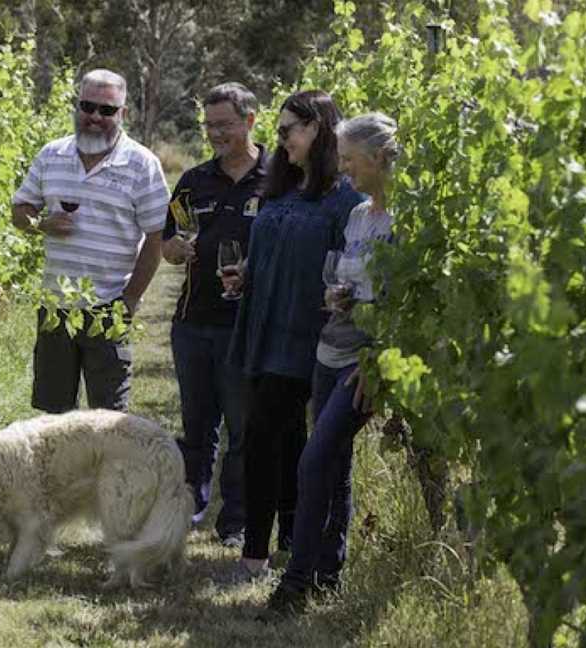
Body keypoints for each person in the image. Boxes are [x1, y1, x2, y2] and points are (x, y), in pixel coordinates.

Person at [222, 90, 366, 580]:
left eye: (288, 131)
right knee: (283, 438)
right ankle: (290, 541)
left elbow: (350, 273)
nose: (278, 141)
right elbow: (273, 251)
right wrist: (247, 271)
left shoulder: (347, 202)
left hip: (313, 337)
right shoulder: (280, 191)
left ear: (318, 130)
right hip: (266, 326)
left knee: (265, 436)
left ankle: (256, 556)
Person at [264, 112, 399, 614]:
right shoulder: (359, 216)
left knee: (314, 458)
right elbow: (349, 279)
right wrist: (339, 296)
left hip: (364, 360)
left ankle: (294, 582)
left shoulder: (407, 221)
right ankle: (327, 574)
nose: (343, 171)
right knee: (333, 463)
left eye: (349, 160)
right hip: (331, 348)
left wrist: (379, 361)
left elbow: (409, 303)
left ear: (380, 158)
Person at [11, 69, 169, 413]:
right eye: (87, 106)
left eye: (107, 110)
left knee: (107, 419)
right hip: (56, 309)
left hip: (108, 309)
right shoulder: (51, 154)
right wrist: (41, 224)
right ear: (77, 106)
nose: (95, 117)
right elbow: (19, 211)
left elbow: (157, 237)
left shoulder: (143, 164)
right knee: (53, 416)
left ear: (123, 114)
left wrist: (129, 300)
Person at [162, 82, 268, 547]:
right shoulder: (193, 180)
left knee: (243, 430)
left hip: (246, 327)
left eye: (224, 125)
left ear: (250, 121)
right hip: (192, 323)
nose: (215, 134)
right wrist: (174, 250)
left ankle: (236, 522)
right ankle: (190, 509)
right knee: (196, 425)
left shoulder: (278, 179)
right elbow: (167, 241)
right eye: (208, 126)